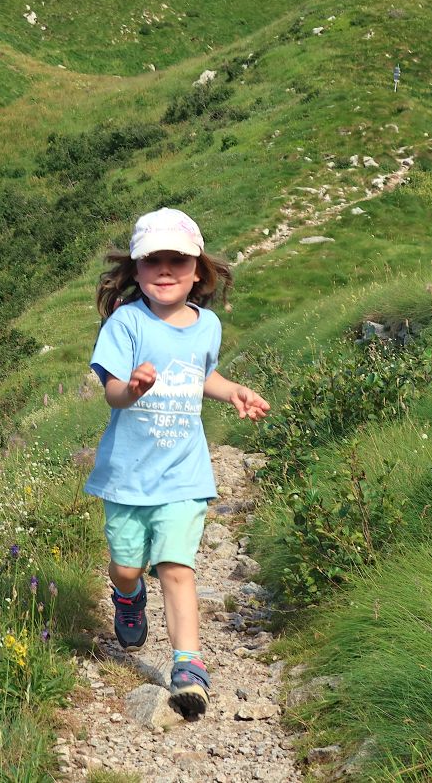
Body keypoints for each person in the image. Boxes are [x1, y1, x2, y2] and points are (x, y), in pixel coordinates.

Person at [85, 206, 269, 719]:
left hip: (183, 475)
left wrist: (232, 391)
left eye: (178, 260)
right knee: (126, 567)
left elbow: (199, 375)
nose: (165, 271)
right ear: (136, 270)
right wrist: (133, 386)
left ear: (198, 270)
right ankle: (128, 598)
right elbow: (113, 395)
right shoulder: (127, 323)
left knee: (177, 568)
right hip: (126, 477)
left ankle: (188, 664)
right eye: (153, 261)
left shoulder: (206, 325)